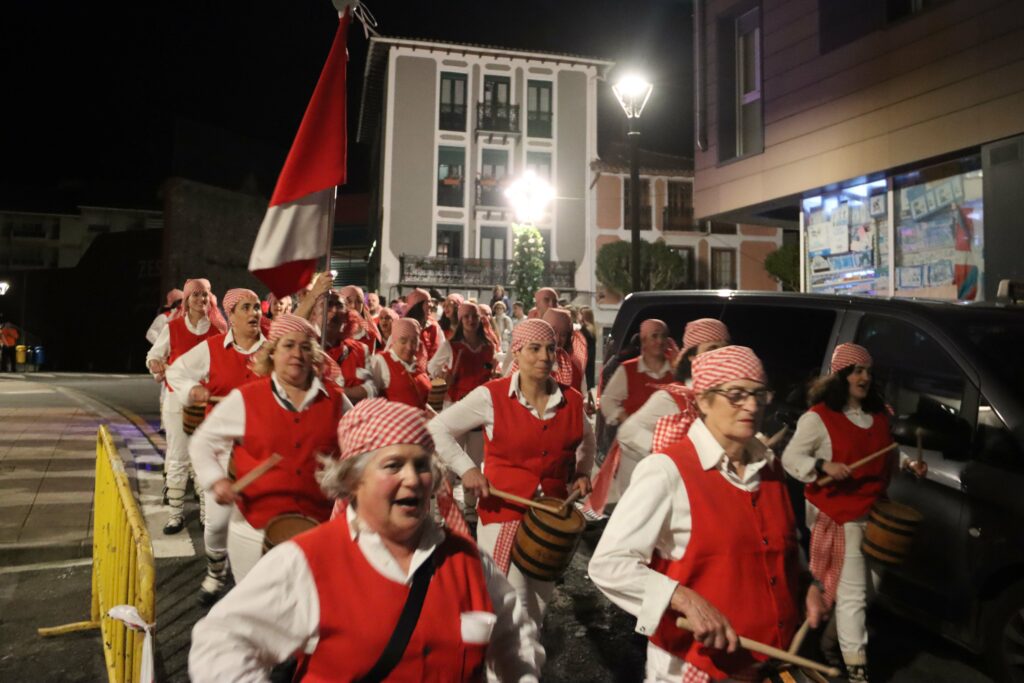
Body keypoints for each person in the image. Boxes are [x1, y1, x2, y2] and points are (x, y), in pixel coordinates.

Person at [189, 398, 541, 682]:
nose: (413, 479)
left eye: (422, 465)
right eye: (393, 465)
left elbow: (515, 637)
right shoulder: (309, 560)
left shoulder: (467, 560)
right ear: (354, 480)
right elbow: (220, 642)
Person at [589, 345, 828, 682]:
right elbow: (609, 564)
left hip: (767, 664)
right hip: (693, 668)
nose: (752, 406)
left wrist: (805, 584)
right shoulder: (667, 471)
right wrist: (681, 597)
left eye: (758, 394)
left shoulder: (770, 467)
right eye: (736, 395)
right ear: (703, 401)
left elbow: (785, 542)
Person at [428, 319, 595, 672]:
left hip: (550, 526)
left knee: (536, 613)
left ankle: (517, 672)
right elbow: (437, 428)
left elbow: (587, 438)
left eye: (550, 349)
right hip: (502, 517)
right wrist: (467, 469)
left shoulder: (572, 400)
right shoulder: (491, 396)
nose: (544, 357)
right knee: (510, 613)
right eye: (534, 349)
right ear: (516, 353)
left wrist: (582, 472)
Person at [782, 343, 926, 682]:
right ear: (841, 376)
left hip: (875, 514)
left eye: (868, 371)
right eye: (857, 371)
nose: (865, 377)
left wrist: (909, 465)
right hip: (840, 516)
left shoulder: (879, 415)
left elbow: (889, 453)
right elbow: (791, 459)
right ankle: (858, 672)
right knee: (853, 597)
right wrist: (823, 465)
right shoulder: (818, 418)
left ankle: (830, 645)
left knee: (869, 590)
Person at [189, 314, 349, 583]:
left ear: (314, 355)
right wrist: (216, 480)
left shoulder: (336, 402)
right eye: (288, 345)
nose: (297, 354)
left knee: (309, 605)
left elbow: (361, 448)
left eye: (305, 347)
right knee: (253, 605)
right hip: (252, 531)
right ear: (272, 352)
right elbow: (202, 442)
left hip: (318, 528)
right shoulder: (246, 398)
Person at [166, 288, 265, 603]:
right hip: (221, 451)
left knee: (258, 524)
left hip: (260, 453)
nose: (254, 313)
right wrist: (192, 390)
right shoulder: (212, 349)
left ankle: (253, 586)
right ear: (230, 315)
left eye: (256, 307)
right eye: (245, 308)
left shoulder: (272, 351)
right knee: (216, 524)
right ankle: (216, 572)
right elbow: (176, 371)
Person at [146, 278, 227, 535]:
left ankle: (205, 513)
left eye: (205, 295)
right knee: (178, 456)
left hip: (205, 403)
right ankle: (175, 515)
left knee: (204, 457)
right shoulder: (173, 328)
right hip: (175, 400)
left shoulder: (218, 330)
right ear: (187, 300)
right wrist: (155, 364)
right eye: (196, 295)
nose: (201, 299)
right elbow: (154, 355)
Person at [616, 319, 731, 472]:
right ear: (692, 356)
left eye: (725, 349)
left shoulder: (730, 397)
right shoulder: (673, 399)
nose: (721, 355)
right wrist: (672, 454)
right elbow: (627, 433)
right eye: (712, 348)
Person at [599, 319, 674, 429]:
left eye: (664, 336)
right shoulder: (628, 369)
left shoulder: (674, 370)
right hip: (636, 437)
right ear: (643, 340)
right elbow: (607, 400)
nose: (660, 341)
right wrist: (625, 419)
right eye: (654, 336)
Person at [429, 302, 497, 406]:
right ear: (460, 320)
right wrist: (443, 376)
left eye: (475, 316)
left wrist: (493, 373)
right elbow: (431, 367)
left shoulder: (488, 347)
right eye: (466, 316)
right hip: (456, 402)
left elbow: (488, 368)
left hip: (481, 401)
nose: (471, 320)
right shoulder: (451, 346)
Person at [369, 318, 431, 409]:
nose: (409, 347)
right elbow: (370, 400)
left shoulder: (417, 364)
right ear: (394, 340)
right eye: (403, 341)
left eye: (414, 341)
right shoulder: (380, 361)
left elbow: (421, 401)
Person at [404, 288, 442, 369]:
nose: (431, 305)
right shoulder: (402, 326)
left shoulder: (434, 327)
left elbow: (440, 354)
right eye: (428, 301)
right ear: (418, 305)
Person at [578, 306, 597, 392]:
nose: (579, 315)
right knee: (589, 380)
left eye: (581, 314)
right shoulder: (591, 328)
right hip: (590, 357)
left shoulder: (585, 329)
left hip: (585, 357)